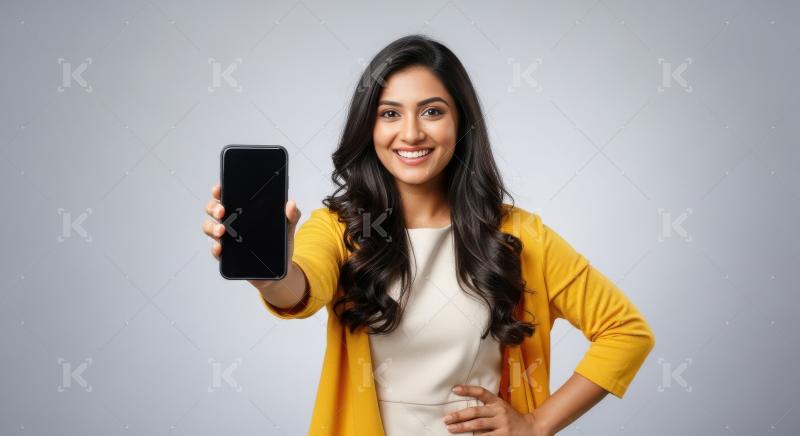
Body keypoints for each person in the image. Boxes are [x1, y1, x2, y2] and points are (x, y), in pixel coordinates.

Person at [203, 34, 655, 436]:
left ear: (461, 123)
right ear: (370, 127)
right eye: (389, 113)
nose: (411, 133)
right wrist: (268, 274)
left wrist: (536, 425)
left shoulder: (520, 236)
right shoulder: (340, 229)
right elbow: (301, 290)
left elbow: (625, 332)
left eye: (432, 111)